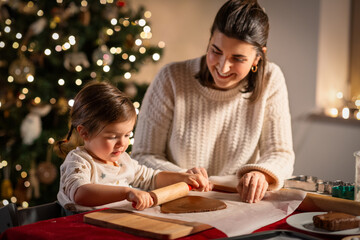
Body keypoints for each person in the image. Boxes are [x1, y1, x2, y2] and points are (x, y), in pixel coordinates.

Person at [132, 0, 294, 204]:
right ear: (209, 40)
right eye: (215, 51)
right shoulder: (171, 78)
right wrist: (182, 176)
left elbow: (280, 153)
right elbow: (142, 155)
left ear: (257, 58)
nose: (223, 67)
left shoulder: (271, 79)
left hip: (239, 204)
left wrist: (261, 174)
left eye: (238, 58)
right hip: (178, 200)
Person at [55, 81, 210, 213]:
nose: (122, 143)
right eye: (112, 137)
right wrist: (126, 192)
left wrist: (183, 177)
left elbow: (152, 178)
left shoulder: (123, 160)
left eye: (127, 135)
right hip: (82, 228)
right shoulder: (78, 161)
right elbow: (81, 193)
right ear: (85, 133)